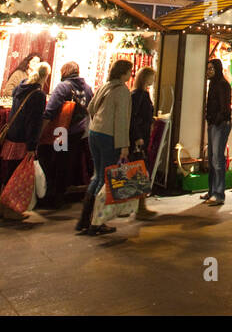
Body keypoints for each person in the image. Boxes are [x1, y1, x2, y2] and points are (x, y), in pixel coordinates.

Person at [75, 59, 132, 235]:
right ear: (124, 73)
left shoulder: (105, 86)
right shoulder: (122, 91)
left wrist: (99, 121)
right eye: (129, 71)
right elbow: (121, 120)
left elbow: (91, 107)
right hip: (110, 136)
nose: (130, 75)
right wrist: (124, 145)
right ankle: (96, 221)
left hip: (95, 132)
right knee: (106, 178)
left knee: (98, 175)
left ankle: (85, 218)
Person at [0, 61, 50, 220]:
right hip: (23, 140)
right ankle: (12, 209)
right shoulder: (38, 95)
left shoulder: (21, 87)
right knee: (18, 176)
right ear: (45, 76)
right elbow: (34, 122)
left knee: (9, 173)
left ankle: (2, 207)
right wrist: (32, 145)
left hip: (12, 136)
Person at [40, 61, 93, 207]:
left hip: (61, 131)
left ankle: (53, 196)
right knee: (68, 163)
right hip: (79, 132)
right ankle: (62, 195)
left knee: (56, 162)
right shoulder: (87, 88)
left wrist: (40, 132)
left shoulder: (63, 87)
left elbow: (50, 111)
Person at [201, 58, 232, 207]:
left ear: (217, 69)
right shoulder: (213, 84)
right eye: (208, 69)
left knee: (217, 159)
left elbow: (224, 107)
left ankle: (219, 194)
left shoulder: (222, 85)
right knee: (212, 157)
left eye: (211, 69)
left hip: (219, 124)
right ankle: (212, 190)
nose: (208, 72)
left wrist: (217, 120)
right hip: (214, 123)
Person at [129, 67, 157, 219]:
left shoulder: (137, 95)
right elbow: (134, 118)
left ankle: (137, 206)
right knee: (139, 170)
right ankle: (140, 207)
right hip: (139, 138)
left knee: (138, 170)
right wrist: (138, 136)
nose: (153, 80)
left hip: (139, 136)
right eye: (152, 77)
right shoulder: (140, 96)